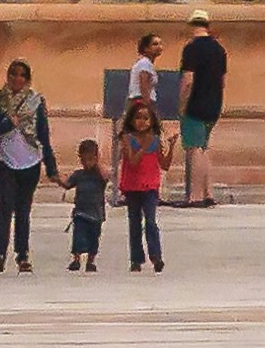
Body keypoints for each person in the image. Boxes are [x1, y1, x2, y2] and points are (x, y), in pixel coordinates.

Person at [0, 59, 55, 270]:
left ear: (27, 79)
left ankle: (22, 255)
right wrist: (5, 124)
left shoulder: (36, 103)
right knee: (5, 206)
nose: (17, 79)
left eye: (22, 75)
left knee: (23, 209)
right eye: (13, 74)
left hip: (30, 161)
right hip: (2, 160)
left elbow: (43, 135)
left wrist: (51, 167)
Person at [175, 17, 229, 208]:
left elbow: (188, 80)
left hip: (195, 105)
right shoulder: (219, 49)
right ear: (207, 26)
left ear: (192, 27)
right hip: (214, 104)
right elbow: (223, 81)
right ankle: (208, 193)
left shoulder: (192, 48)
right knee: (204, 148)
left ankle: (195, 196)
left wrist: (181, 104)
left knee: (194, 148)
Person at [117, 79, 170, 271]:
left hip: (150, 186)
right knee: (134, 223)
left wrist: (170, 148)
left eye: (146, 118)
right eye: (138, 118)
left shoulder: (155, 139)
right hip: (133, 186)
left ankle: (156, 256)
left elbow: (164, 164)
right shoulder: (128, 138)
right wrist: (144, 147)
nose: (142, 122)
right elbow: (132, 161)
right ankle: (136, 259)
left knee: (151, 221)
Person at [65, 135, 111, 272]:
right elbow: (68, 184)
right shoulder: (79, 175)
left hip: (96, 214)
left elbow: (106, 177)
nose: (87, 163)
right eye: (84, 160)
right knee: (78, 237)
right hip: (80, 212)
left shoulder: (99, 176)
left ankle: (91, 261)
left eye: (91, 159)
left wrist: (98, 164)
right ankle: (76, 259)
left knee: (93, 239)